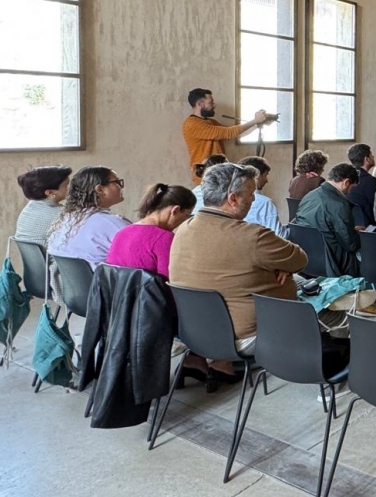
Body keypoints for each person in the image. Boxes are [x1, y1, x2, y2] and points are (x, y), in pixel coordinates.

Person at [170, 163, 308, 384]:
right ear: (233, 199)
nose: (253, 199)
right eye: (251, 194)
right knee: (324, 303)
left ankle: (220, 364)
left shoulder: (183, 228)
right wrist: (284, 267)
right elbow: (300, 259)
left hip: (195, 332)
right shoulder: (252, 236)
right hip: (246, 335)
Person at [105, 184, 196, 279]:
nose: (184, 221)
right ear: (175, 210)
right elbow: (170, 281)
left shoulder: (122, 233)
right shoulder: (164, 237)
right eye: (186, 215)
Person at [46, 166, 130, 268]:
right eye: (116, 182)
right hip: (104, 278)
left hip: (73, 279)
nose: (120, 187)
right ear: (100, 189)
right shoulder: (112, 225)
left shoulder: (66, 221)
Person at [181, 88, 270, 182]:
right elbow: (228, 133)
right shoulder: (191, 124)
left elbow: (234, 134)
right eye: (211, 102)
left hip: (219, 174)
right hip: (205, 175)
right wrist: (255, 121)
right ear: (200, 104)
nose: (214, 105)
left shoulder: (211, 122)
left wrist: (256, 124)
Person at [295, 162, 361, 277]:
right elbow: (350, 245)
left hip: (306, 258)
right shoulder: (340, 204)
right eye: (352, 187)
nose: (350, 191)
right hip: (333, 262)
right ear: (346, 182)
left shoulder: (309, 196)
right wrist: (358, 235)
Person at [15, 166, 72, 246]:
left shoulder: (28, 210)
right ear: (50, 192)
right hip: (51, 254)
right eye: (66, 185)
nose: (71, 188)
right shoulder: (61, 214)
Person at [240, 156, 285, 237]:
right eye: (265, 175)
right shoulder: (265, 203)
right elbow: (278, 236)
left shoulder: (233, 199)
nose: (266, 180)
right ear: (256, 176)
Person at [346, 143, 376, 228]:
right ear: (366, 159)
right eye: (371, 155)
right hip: (366, 227)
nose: (373, 156)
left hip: (350, 224)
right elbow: (375, 207)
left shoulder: (345, 178)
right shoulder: (369, 180)